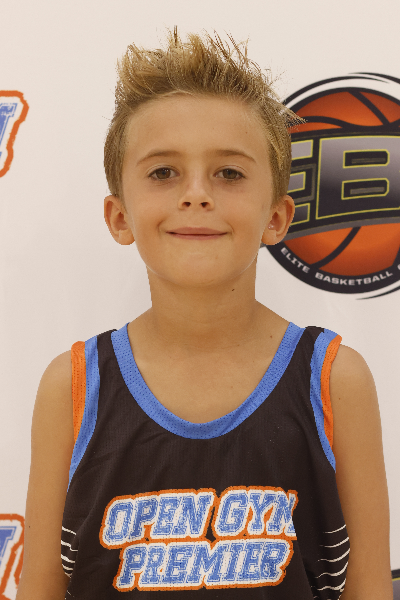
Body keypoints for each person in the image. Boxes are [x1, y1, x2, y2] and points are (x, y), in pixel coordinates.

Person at [16, 29, 392, 600]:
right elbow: (42, 587)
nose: (196, 195)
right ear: (120, 217)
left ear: (276, 217)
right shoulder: (73, 387)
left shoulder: (335, 379)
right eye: (163, 173)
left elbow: (368, 587)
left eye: (229, 173)